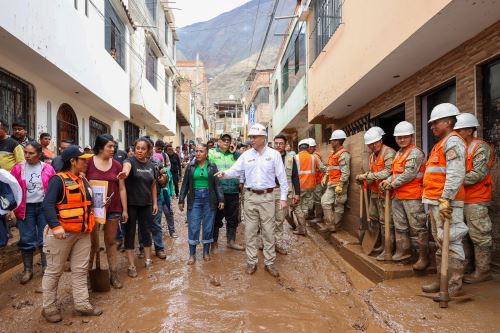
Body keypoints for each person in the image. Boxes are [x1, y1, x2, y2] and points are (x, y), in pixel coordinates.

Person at [216, 123, 288, 278]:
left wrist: (283, 197)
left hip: (268, 197)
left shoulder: (274, 155)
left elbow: (282, 178)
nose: (252, 139)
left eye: (254, 137)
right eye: (250, 137)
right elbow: (235, 170)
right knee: (250, 231)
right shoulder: (246, 155)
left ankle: (269, 262)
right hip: (250, 197)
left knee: (268, 231)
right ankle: (251, 261)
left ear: (263, 138)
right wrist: (225, 173)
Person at [41, 145, 101, 323]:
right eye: (83, 159)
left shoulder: (83, 180)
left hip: (83, 233)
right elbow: (47, 205)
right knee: (54, 271)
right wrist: (55, 226)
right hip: (62, 234)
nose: (87, 162)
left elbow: (86, 202)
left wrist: (99, 203)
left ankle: (82, 304)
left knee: (80, 270)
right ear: (73, 161)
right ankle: (49, 307)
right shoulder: (57, 181)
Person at [421, 103, 468, 297]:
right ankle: (442, 279)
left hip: (446, 203)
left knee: (452, 241)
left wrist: (446, 199)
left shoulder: (453, 142)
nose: (432, 127)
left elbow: (455, 174)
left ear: (448, 122)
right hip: (435, 201)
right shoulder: (440, 144)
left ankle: (453, 285)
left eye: (435, 123)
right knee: (441, 241)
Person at [379, 122, 429, 269]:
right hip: (398, 196)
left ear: (411, 136)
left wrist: (391, 184)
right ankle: (403, 253)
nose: (401, 140)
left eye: (405, 137)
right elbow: (395, 174)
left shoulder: (415, 153)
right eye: (399, 138)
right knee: (400, 226)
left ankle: (423, 258)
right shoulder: (399, 153)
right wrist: (386, 181)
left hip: (412, 196)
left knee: (418, 227)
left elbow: (409, 174)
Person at [454, 113, 494, 283]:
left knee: (479, 235)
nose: (456, 133)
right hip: (461, 198)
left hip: (476, 198)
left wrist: (453, 181)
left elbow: (478, 174)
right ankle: (468, 267)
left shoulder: (480, 147)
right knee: (463, 235)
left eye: (460, 130)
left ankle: (483, 271)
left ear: (470, 130)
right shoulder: (459, 146)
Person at [86, 134, 128, 289]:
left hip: (113, 208)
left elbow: (122, 189)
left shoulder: (117, 165)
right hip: (93, 209)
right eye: (109, 146)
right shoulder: (88, 163)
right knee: (91, 244)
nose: (113, 149)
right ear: (100, 147)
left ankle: (114, 274)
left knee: (111, 242)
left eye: (113, 146)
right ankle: (88, 275)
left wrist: (125, 210)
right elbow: (83, 185)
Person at [10, 142, 55, 284]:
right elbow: (11, 188)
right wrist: (10, 209)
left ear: (39, 153)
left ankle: (46, 268)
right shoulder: (18, 168)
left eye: (31, 153)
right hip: (25, 209)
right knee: (26, 238)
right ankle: (27, 270)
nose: (27, 156)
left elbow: (54, 188)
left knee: (45, 238)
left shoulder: (48, 168)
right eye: (26, 153)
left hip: (43, 208)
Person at [117, 138, 158, 277]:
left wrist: (155, 203)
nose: (139, 151)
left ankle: (147, 259)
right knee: (130, 233)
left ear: (148, 151)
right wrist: (125, 173)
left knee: (146, 232)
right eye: (137, 148)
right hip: (131, 204)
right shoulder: (129, 161)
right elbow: (126, 169)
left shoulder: (152, 165)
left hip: (146, 204)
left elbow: (153, 184)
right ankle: (131, 265)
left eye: (143, 148)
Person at [178, 144, 224, 264]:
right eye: (196, 151)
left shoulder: (212, 166)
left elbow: (217, 184)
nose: (198, 153)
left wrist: (221, 200)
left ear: (206, 154)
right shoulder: (190, 166)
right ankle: (192, 254)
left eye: (201, 151)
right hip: (195, 198)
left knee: (208, 226)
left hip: (210, 198)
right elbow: (185, 184)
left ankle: (206, 252)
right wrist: (181, 199)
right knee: (193, 226)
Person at [356, 126, 396, 260]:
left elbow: (389, 172)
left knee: (386, 221)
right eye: (370, 144)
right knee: (374, 218)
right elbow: (373, 173)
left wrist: (368, 176)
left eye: (375, 142)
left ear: (381, 140)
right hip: (375, 192)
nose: (373, 146)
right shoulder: (372, 156)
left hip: (386, 194)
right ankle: (379, 244)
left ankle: (388, 248)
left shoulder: (389, 153)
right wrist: (364, 180)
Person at [208, 133, 244, 251]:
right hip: (218, 191)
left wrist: (235, 152)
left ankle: (231, 241)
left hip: (233, 190)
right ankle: (214, 243)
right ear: (218, 141)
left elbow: (244, 162)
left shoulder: (234, 155)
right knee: (216, 218)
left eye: (229, 140)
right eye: (224, 140)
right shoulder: (212, 153)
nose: (226, 142)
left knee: (232, 218)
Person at [293, 139, 328, 235]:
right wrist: (330, 173)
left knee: (296, 207)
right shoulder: (314, 158)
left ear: (299, 148)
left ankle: (302, 228)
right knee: (305, 207)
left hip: (298, 187)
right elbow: (323, 168)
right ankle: (302, 228)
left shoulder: (294, 158)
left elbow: (290, 174)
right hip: (311, 186)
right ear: (308, 148)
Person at [319, 130, 351, 233]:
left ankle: (335, 225)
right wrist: (325, 176)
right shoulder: (333, 154)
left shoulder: (344, 154)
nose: (331, 142)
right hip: (331, 183)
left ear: (337, 141)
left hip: (339, 184)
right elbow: (330, 167)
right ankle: (330, 224)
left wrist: (341, 184)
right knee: (325, 202)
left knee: (338, 205)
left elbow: (345, 172)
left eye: (332, 140)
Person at [273, 134, 300, 253]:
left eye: (281, 143)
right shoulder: (268, 156)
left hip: (284, 192)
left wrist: (297, 193)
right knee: (266, 219)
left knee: (279, 219)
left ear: (285, 145)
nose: (278, 146)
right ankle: (265, 242)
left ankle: (278, 243)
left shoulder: (291, 159)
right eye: (276, 143)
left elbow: (295, 176)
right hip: (269, 191)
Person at [0, 168, 22, 248]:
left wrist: (10, 209)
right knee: (3, 239)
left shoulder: (2, 174)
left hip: (4, 207)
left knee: (3, 240)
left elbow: (10, 191)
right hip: (4, 208)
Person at [307, 138, 324, 222]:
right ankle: (311, 214)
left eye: (310, 147)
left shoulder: (315, 156)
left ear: (313, 147)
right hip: (313, 181)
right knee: (313, 198)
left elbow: (321, 168)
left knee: (317, 199)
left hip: (318, 181)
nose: (308, 149)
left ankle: (319, 217)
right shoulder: (311, 156)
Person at [159, 165, 177, 238]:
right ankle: (157, 233)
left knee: (169, 213)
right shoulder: (155, 171)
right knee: (157, 217)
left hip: (167, 197)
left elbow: (170, 183)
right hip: (158, 198)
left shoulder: (168, 171)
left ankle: (172, 231)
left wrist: (172, 192)